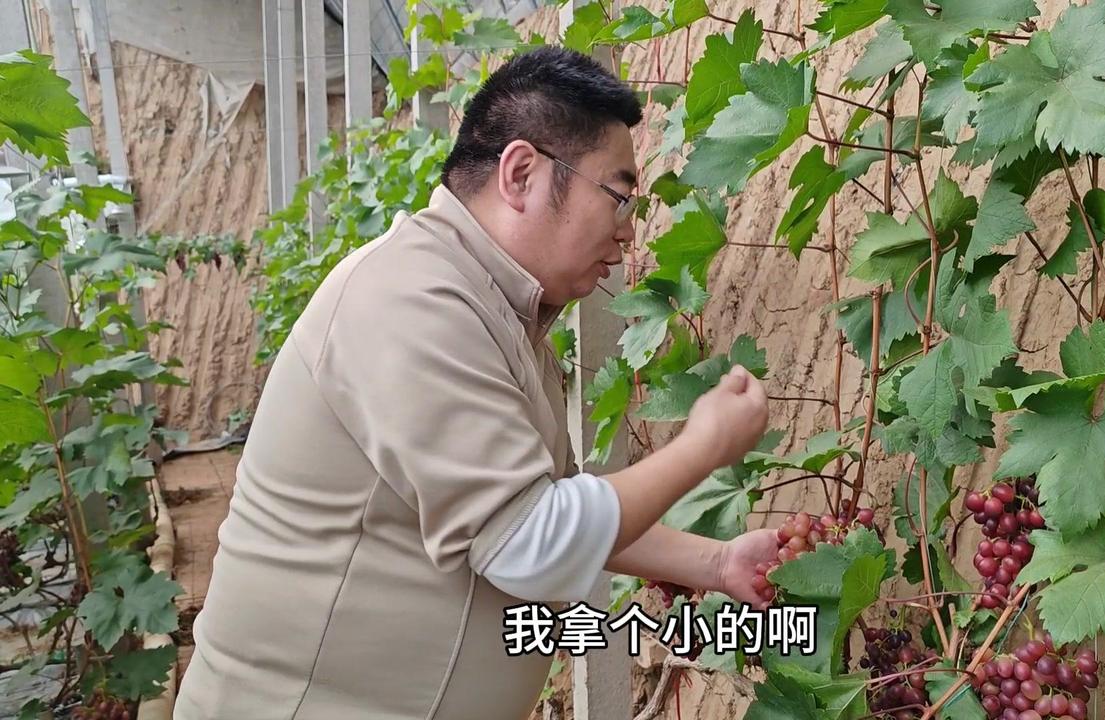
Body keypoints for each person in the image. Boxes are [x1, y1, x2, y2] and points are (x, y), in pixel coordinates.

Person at [174, 46, 777, 720]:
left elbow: (561, 513)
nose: (628, 233)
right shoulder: (410, 300)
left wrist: (717, 564)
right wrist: (703, 446)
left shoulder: (494, 312)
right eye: (617, 196)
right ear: (521, 173)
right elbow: (531, 543)